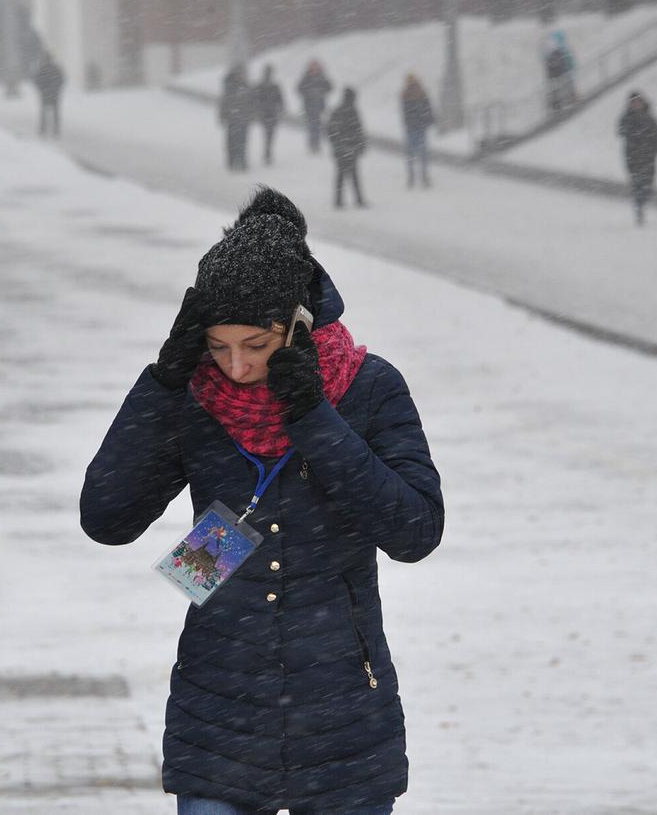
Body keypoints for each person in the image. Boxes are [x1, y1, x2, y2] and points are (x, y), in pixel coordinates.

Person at [81, 186, 444, 815]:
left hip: (344, 716)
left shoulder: (369, 388)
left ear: (298, 326)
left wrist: (316, 419)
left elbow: (414, 531)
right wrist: (162, 386)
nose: (239, 367)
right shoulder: (192, 396)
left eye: (257, 344)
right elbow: (107, 517)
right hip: (217, 709)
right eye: (219, 347)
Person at [617, 90, 657, 225]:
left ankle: (643, 200)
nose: (636, 105)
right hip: (633, 156)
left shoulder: (649, 117)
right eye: (634, 103)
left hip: (649, 156)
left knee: (649, 182)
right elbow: (621, 130)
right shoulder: (627, 117)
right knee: (637, 182)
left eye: (638, 102)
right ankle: (639, 206)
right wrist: (635, 135)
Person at [327, 86, 368, 208]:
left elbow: (330, 130)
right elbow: (358, 130)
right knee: (353, 175)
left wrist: (337, 144)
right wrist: (359, 144)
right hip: (350, 148)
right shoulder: (352, 112)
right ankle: (358, 200)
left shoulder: (338, 111)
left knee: (341, 175)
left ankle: (339, 200)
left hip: (342, 148)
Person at [400, 74, 434, 189]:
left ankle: (412, 176)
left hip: (412, 127)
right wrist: (428, 119)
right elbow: (427, 108)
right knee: (422, 153)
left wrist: (408, 121)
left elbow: (405, 111)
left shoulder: (406, 94)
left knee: (411, 154)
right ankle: (423, 176)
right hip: (419, 126)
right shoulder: (421, 93)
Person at [218, 63, 254, 171]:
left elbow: (251, 101)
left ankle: (242, 161)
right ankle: (232, 162)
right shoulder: (229, 87)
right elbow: (224, 102)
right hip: (232, 119)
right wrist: (223, 115)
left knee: (243, 141)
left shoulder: (246, 86)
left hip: (243, 118)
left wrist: (251, 113)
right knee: (232, 141)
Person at [296, 59, 333, 154]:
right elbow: (299, 89)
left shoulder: (322, 77)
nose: (315, 68)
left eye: (316, 66)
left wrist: (321, 92)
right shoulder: (306, 77)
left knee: (318, 125)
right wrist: (309, 93)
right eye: (313, 66)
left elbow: (330, 87)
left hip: (320, 106)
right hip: (309, 106)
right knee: (312, 125)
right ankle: (313, 143)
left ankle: (315, 143)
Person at [255, 64, 285, 166]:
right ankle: (267, 153)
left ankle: (267, 153)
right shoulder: (268, 86)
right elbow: (255, 100)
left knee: (269, 135)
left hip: (270, 114)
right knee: (269, 135)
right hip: (268, 114)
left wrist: (280, 109)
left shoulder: (273, 86)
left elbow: (280, 100)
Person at [544, 30, 575, 115]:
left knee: (558, 90)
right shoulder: (559, 54)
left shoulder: (555, 55)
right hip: (559, 75)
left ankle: (559, 105)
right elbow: (564, 63)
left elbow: (553, 66)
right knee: (560, 89)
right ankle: (561, 104)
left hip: (557, 75)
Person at [35, 56, 65, 138]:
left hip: (45, 93)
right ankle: (55, 129)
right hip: (53, 93)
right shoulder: (55, 69)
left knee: (44, 112)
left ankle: (43, 129)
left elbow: (37, 81)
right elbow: (61, 79)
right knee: (55, 112)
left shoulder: (42, 69)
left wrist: (42, 89)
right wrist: (56, 89)